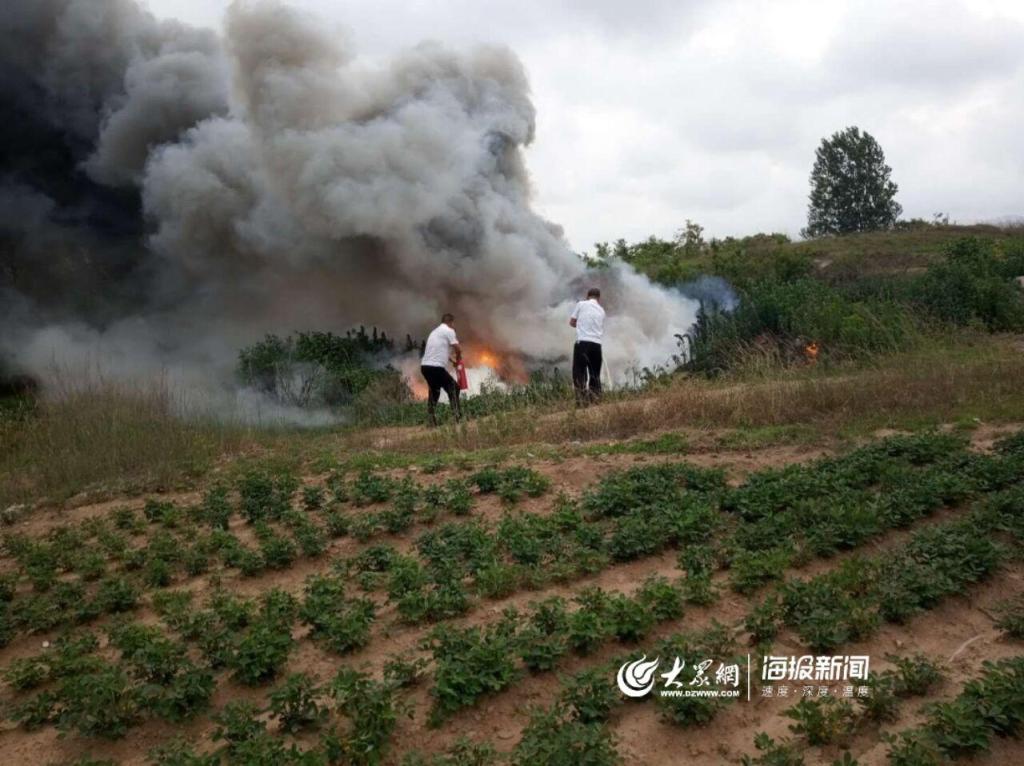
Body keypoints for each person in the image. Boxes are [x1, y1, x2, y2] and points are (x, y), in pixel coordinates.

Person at [420, 313, 463, 426]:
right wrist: (458, 360)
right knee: (454, 388)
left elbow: (438, 350)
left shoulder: (434, 332)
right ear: (451, 322)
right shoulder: (449, 331)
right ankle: (457, 418)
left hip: (425, 367)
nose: (454, 326)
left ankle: (431, 421)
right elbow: (458, 349)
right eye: (453, 324)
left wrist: (451, 361)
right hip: (435, 368)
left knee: (435, 391)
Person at [570, 287, 605, 405]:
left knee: (579, 372)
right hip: (597, 345)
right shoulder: (601, 310)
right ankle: (595, 401)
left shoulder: (581, 304)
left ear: (587, 296)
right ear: (598, 298)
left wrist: (580, 325)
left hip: (583, 343)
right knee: (595, 374)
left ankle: (581, 401)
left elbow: (572, 322)